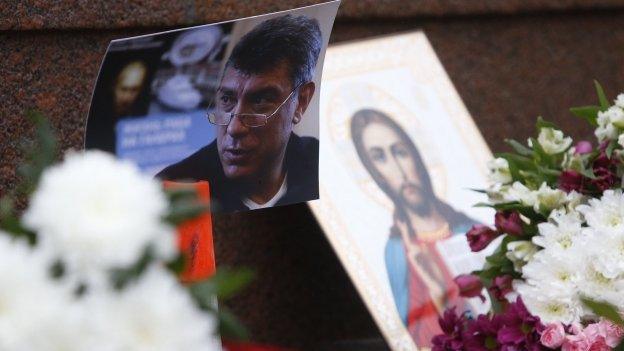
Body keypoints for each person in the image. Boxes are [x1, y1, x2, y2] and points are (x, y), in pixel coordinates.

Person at [157, 15, 321, 212]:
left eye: (260, 101)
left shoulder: (324, 166)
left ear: (301, 102)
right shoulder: (175, 188)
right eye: (227, 100)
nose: (234, 128)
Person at [350, 109, 477, 347]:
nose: (398, 170)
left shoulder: (474, 229)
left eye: (400, 152)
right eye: (379, 157)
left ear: (416, 156)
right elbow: (417, 341)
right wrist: (437, 289)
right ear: (375, 173)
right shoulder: (397, 253)